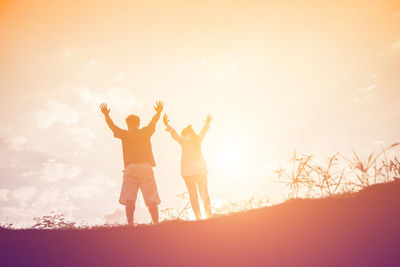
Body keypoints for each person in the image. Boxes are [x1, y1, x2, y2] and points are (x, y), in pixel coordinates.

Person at [99, 101, 163, 225]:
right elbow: (153, 122)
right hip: (146, 167)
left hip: (131, 168)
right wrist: (158, 112)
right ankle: (156, 223)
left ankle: (130, 225)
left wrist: (106, 115)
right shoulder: (145, 132)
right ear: (138, 124)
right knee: (151, 198)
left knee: (129, 198)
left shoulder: (125, 134)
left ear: (128, 125)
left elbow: (112, 126)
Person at [163, 113, 212, 220]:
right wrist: (208, 123)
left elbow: (175, 134)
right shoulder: (197, 140)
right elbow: (203, 131)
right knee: (204, 194)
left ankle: (199, 218)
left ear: (185, 134)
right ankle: (209, 216)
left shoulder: (183, 140)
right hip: (200, 171)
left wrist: (167, 125)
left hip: (188, 173)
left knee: (193, 196)